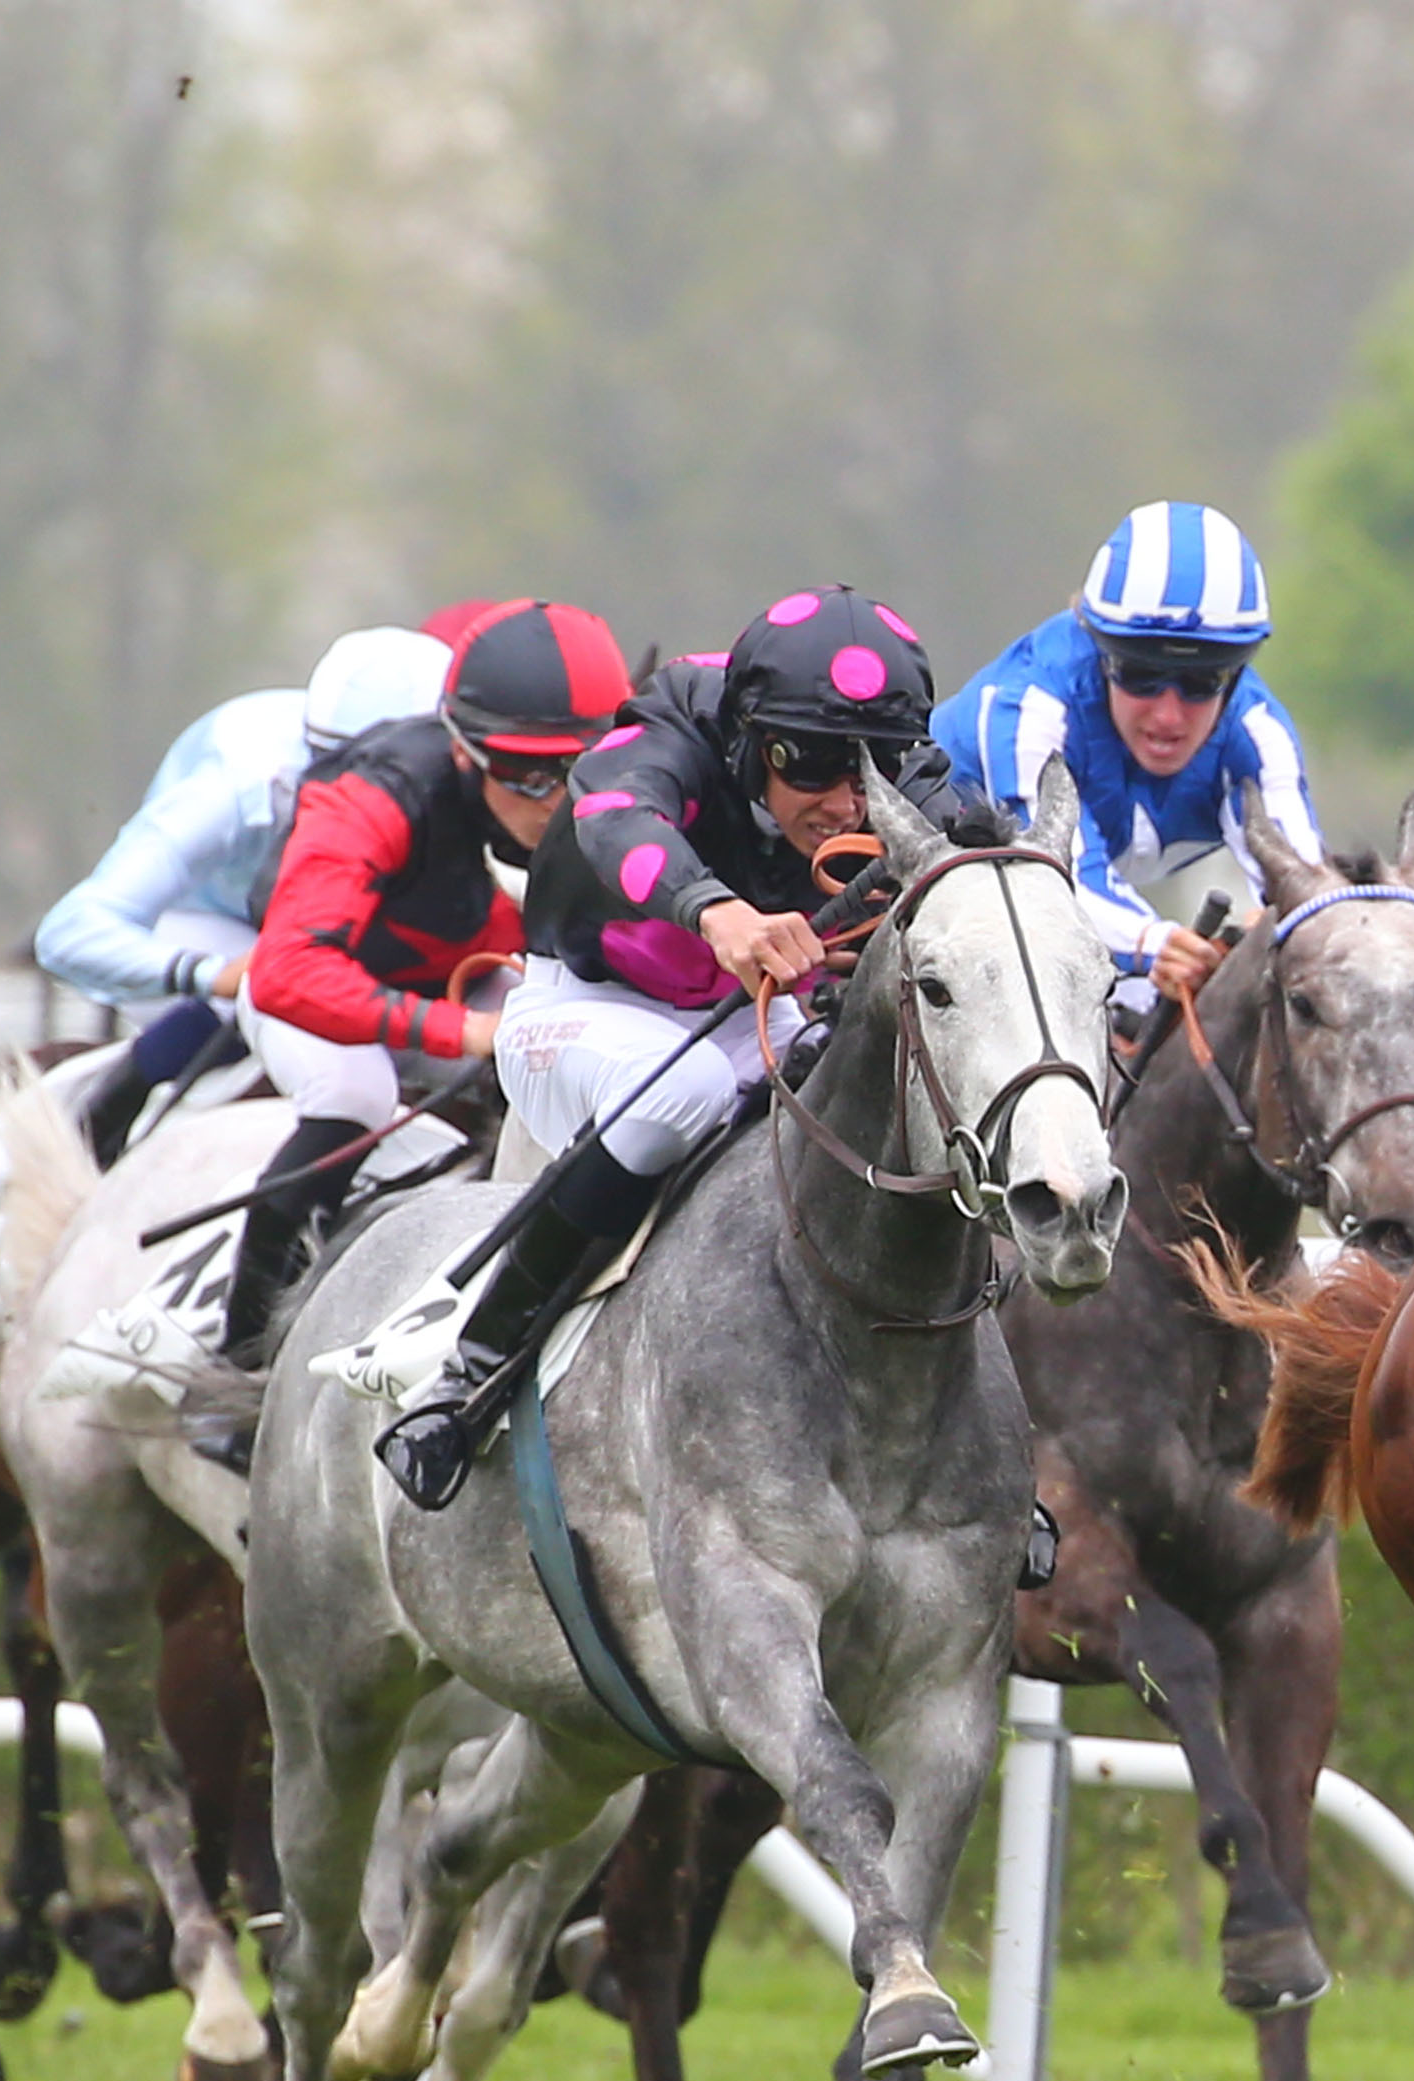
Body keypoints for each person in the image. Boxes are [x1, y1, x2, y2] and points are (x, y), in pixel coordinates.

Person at [371, 584, 984, 1510]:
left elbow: (990, 850)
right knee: (685, 1092)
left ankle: (973, 1443)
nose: (845, 801)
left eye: (873, 767)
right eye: (811, 765)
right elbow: (617, 820)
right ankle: (468, 1375)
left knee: (877, 1100)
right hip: (579, 1006)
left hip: (748, 1013)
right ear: (750, 741)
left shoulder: (901, 769)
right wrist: (716, 912)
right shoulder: (673, 728)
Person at [207, 596, 630, 1413]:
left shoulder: (593, 787)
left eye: (578, 769)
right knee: (354, 1096)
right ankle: (240, 1368)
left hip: (445, 966)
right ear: (464, 752)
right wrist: (465, 1030)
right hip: (314, 986)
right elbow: (289, 968)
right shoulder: (374, 792)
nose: (556, 803)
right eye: (528, 776)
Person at [32, 624, 454, 1163]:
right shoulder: (239, 785)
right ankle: (106, 1117)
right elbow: (67, 934)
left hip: (332, 919)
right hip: (212, 923)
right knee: (273, 993)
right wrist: (213, 975)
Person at [931, 500, 1324, 1019]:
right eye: (1140, 674)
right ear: (1098, 650)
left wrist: (1283, 925)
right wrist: (1157, 942)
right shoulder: (1030, 707)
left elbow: (1311, 893)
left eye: (1202, 681)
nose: (1168, 714)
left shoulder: (1256, 730)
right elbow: (1055, 883)